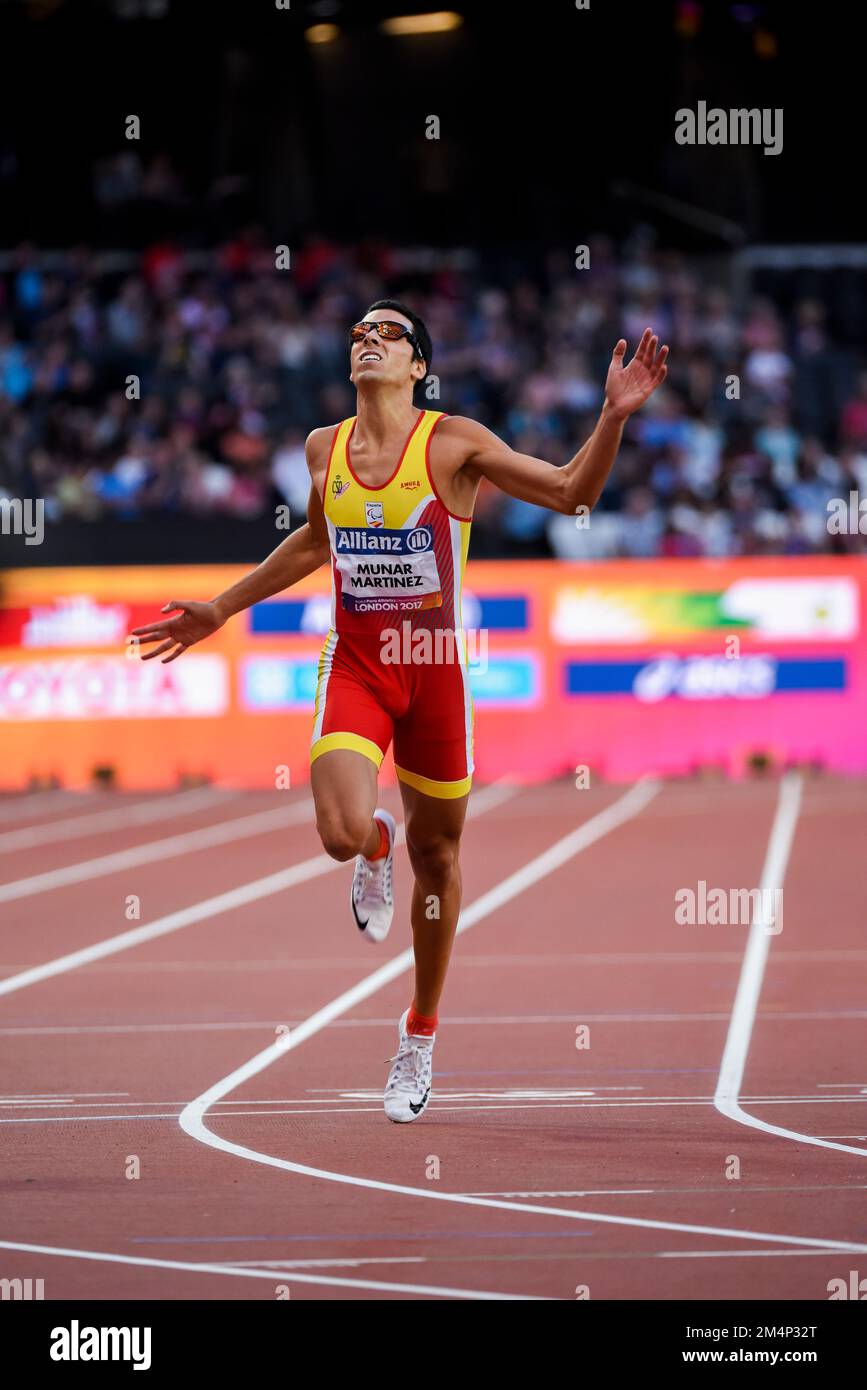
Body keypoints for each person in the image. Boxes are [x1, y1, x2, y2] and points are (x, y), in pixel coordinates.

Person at [132, 299, 668, 1122]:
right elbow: (317, 541)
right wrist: (220, 607)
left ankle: (417, 1035)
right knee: (342, 833)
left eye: (386, 334)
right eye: (357, 333)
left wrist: (611, 415)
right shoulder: (324, 449)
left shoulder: (453, 442)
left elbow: (568, 492)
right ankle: (372, 842)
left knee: (443, 861)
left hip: (434, 674)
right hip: (356, 665)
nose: (366, 341)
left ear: (418, 365)